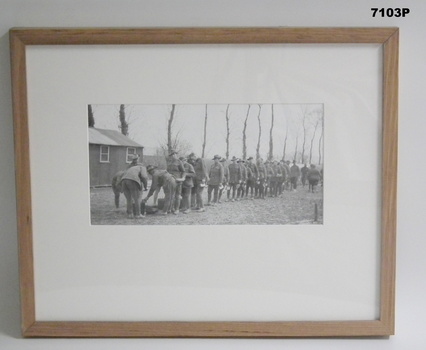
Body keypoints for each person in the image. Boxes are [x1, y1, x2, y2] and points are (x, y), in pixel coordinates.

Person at [166, 149, 185, 214]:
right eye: (171, 155)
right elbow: (167, 171)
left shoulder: (179, 162)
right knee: (171, 194)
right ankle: (171, 208)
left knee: (177, 195)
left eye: (174, 154)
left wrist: (182, 178)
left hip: (177, 180)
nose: (173, 156)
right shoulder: (169, 162)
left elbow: (183, 171)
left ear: (176, 154)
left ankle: (177, 209)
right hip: (170, 180)